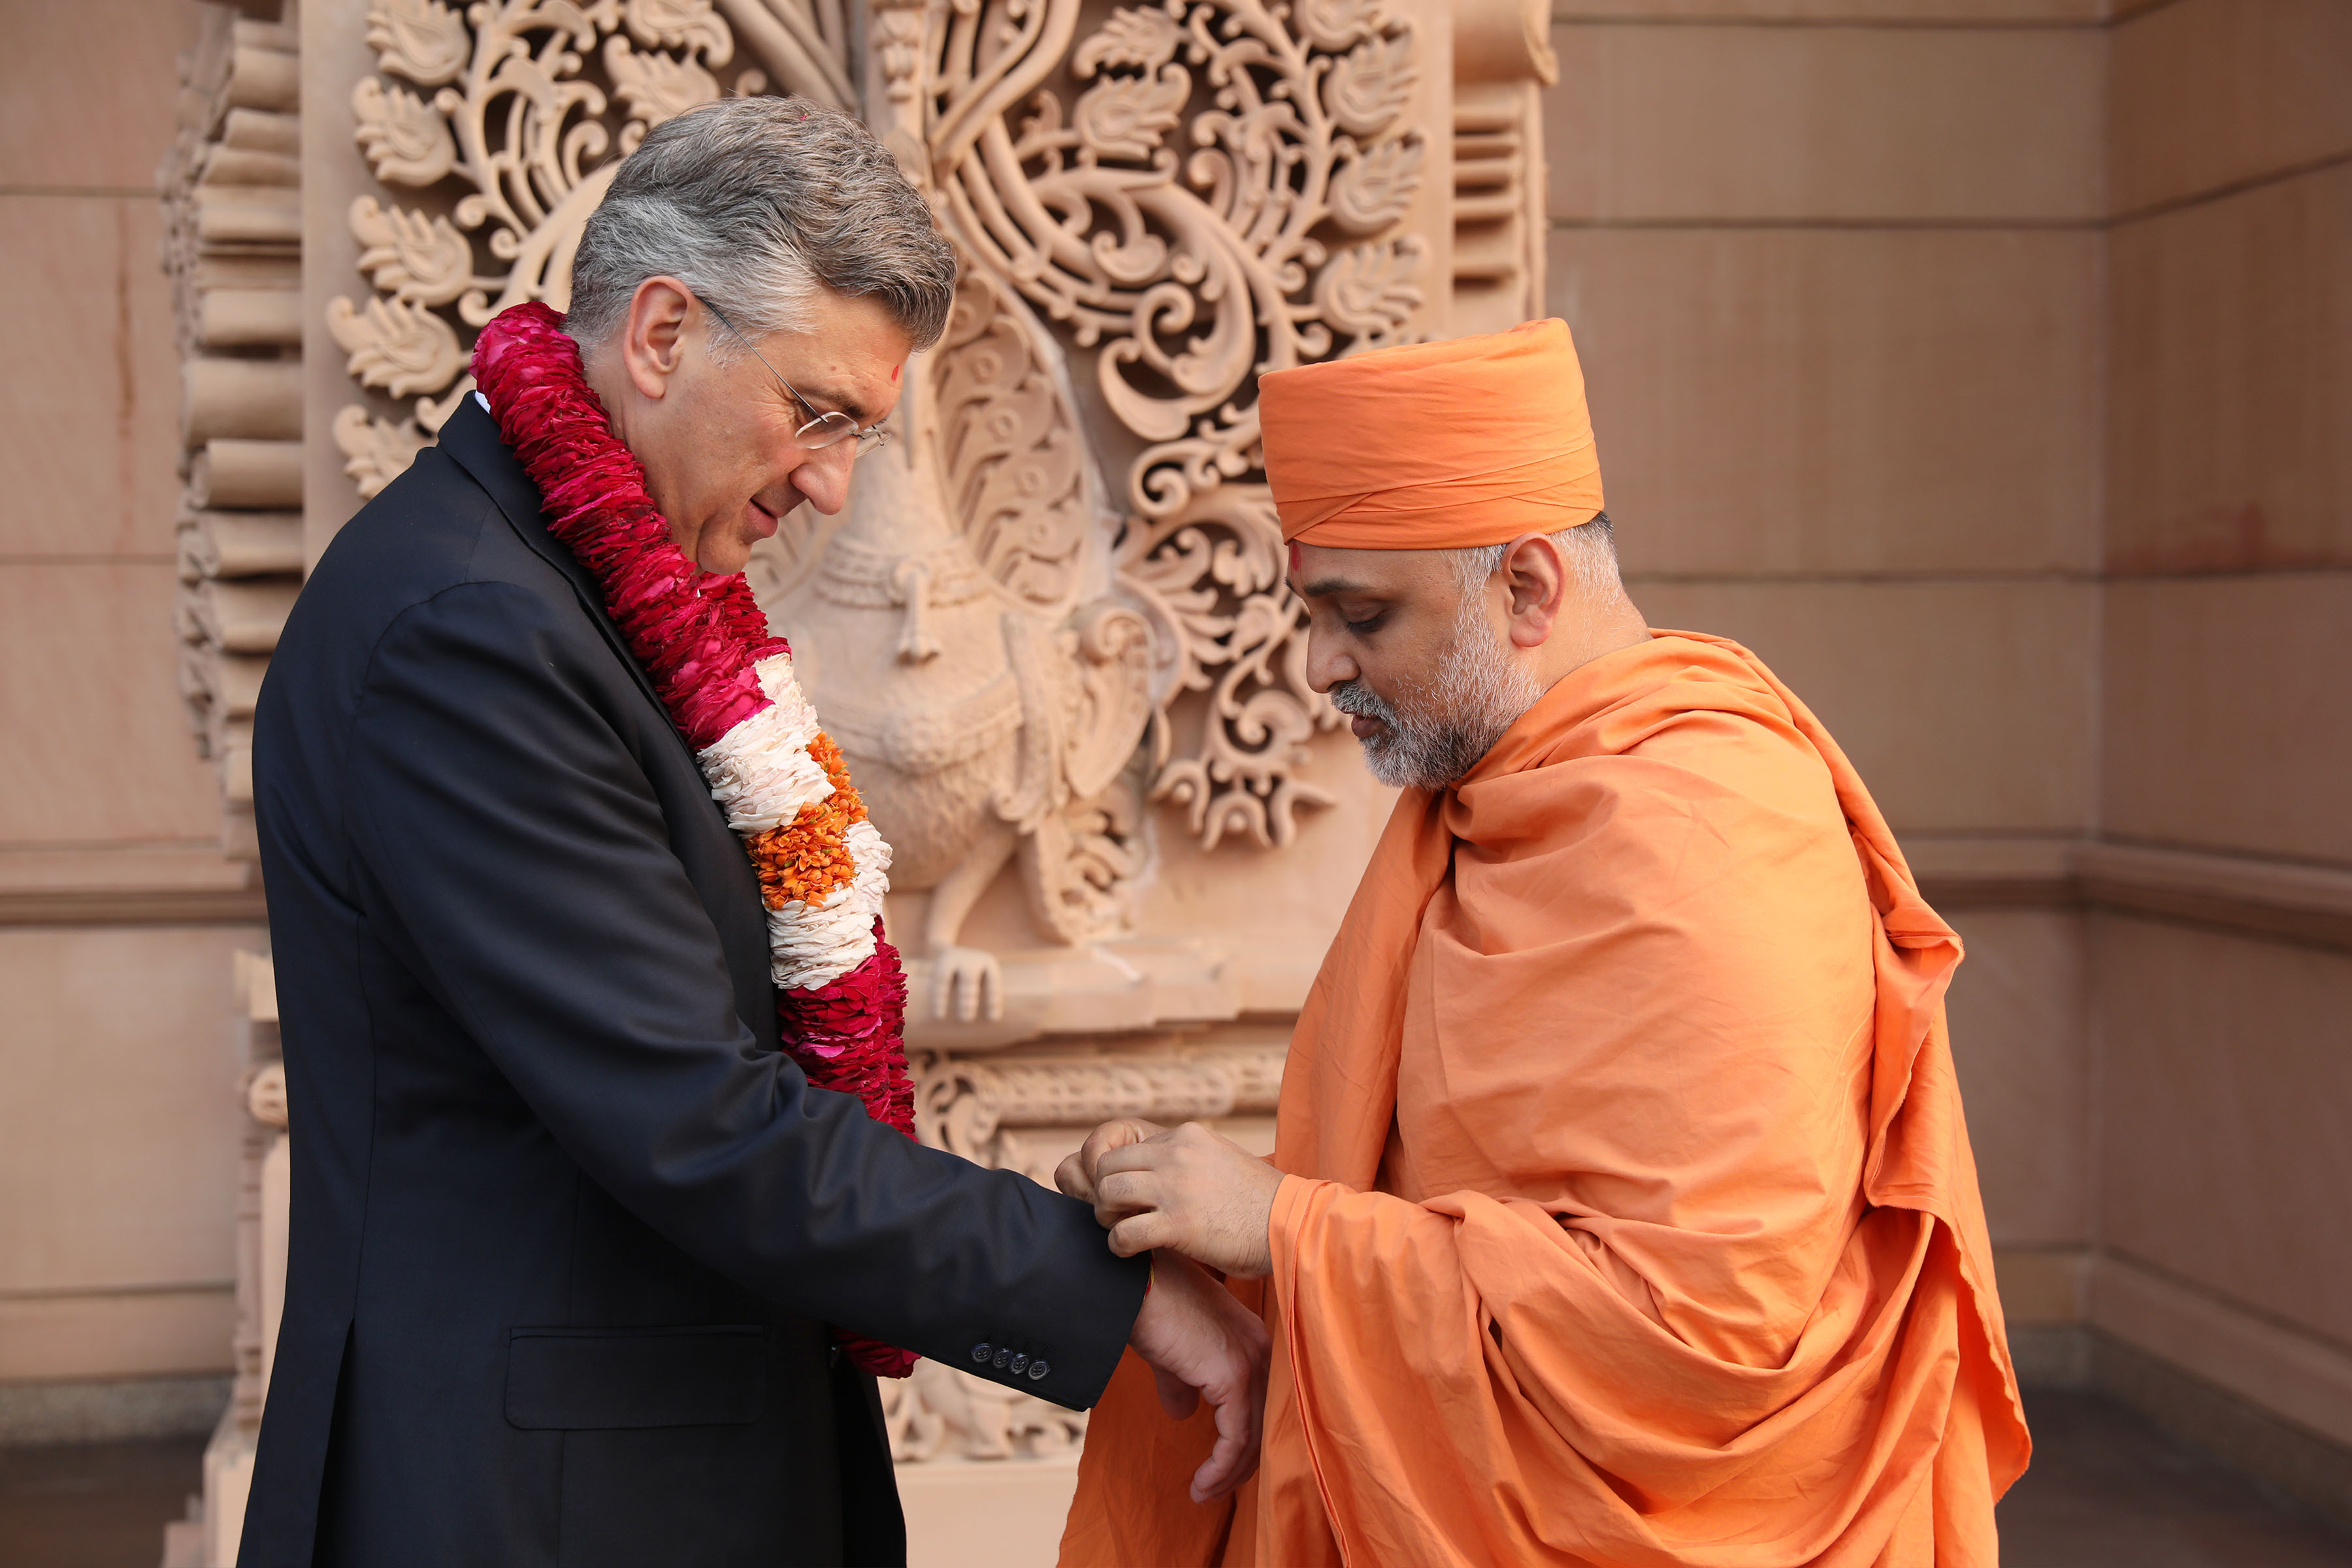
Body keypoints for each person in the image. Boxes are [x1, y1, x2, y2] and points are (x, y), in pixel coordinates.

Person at [243, 99, 1265, 1568]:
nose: (832, 483)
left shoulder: (576, 591)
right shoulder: (469, 630)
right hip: (530, 1509)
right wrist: (1113, 1293)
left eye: (860, 431)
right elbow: (696, 1121)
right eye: (819, 412)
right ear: (663, 333)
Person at [1056, 319, 2029, 1565]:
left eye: (1362, 615)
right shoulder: (1492, 791)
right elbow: (1471, 1197)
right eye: (1315, 613)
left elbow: (1702, 1337)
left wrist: (1284, 1230)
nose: (1318, 665)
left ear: (1526, 587)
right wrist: (1202, 1216)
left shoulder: (1708, 829)